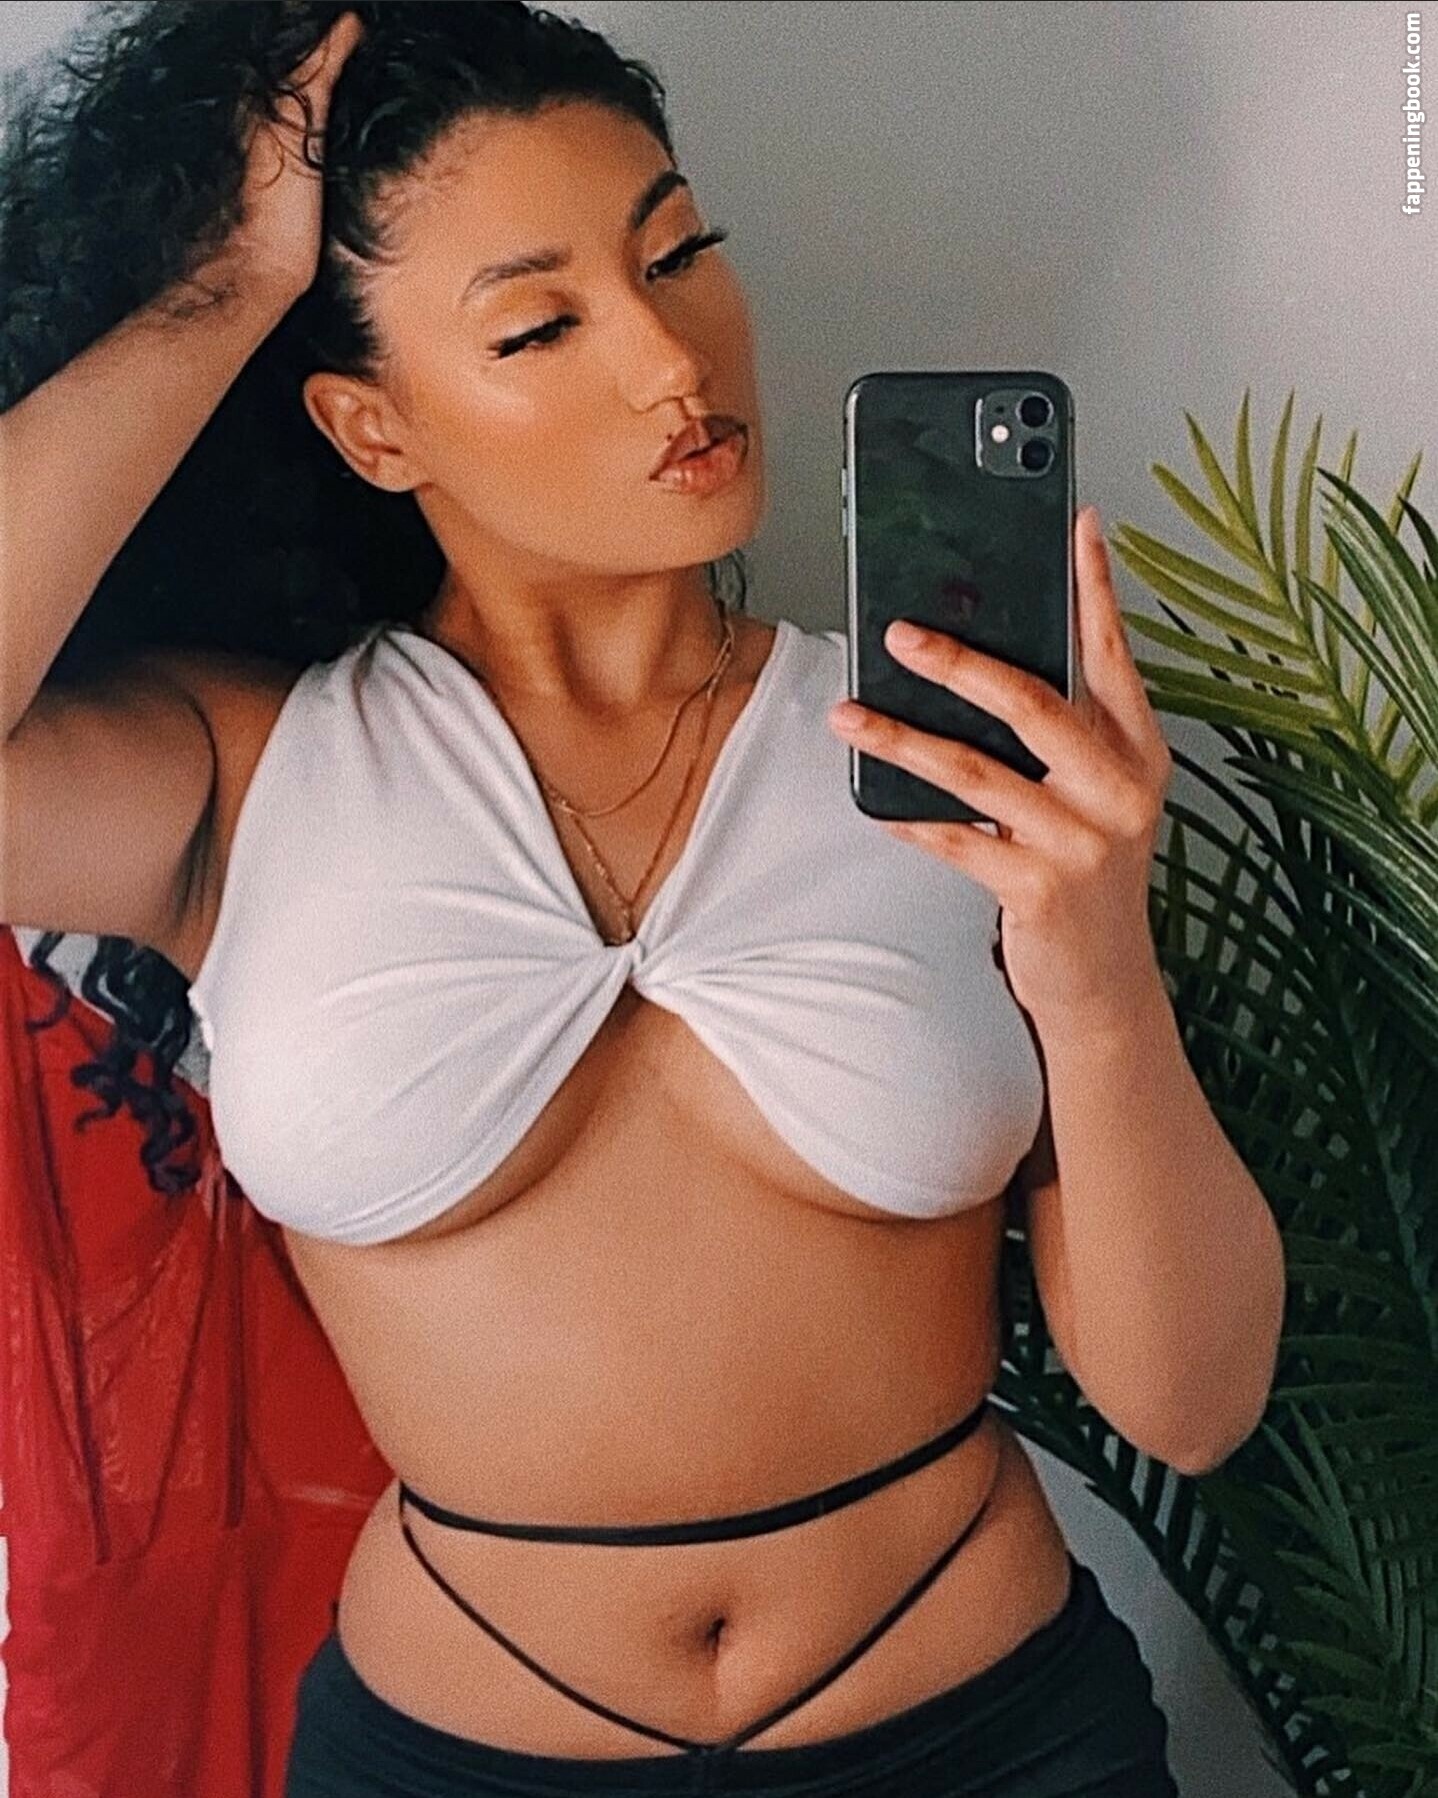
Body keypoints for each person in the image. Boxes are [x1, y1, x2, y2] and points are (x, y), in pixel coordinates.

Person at [0, 5, 1218, 1792]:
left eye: (677, 255)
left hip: (993, 1734)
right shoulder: (242, 778)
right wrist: (223, 295)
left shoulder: (948, 750)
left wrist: (1098, 971)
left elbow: (1192, 1404)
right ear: (369, 424)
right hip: (451, 1755)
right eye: (538, 323)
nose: (669, 359)